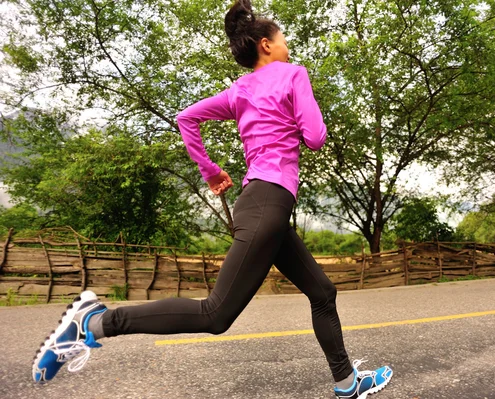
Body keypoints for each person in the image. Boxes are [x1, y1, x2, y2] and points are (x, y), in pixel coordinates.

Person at [31, 1, 393, 397]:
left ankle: (345, 384)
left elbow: (187, 117)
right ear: (266, 45)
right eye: (283, 38)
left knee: (323, 292)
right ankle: (95, 323)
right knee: (216, 313)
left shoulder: (239, 90)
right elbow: (317, 138)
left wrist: (211, 170)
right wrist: (298, 118)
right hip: (268, 205)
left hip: (263, 204)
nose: (288, 45)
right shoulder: (293, 74)